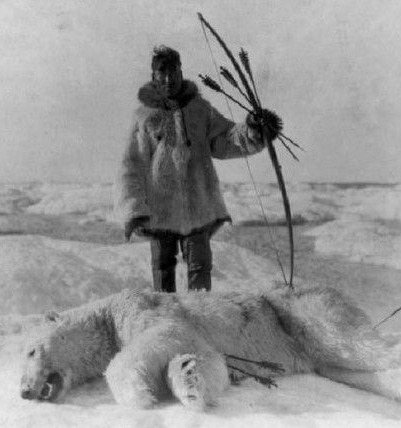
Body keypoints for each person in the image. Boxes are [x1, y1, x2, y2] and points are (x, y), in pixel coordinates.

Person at [115, 45, 279, 292]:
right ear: (154, 76)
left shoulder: (200, 110)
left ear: (181, 72)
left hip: (198, 208)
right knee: (162, 272)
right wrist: (134, 209)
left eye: (174, 72)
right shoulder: (144, 116)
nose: (169, 79)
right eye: (163, 72)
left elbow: (225, 139)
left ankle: (201, 322)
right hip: (160, 211)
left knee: (200, 271)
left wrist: (254, 130)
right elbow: (130, 166)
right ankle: (166, 324)